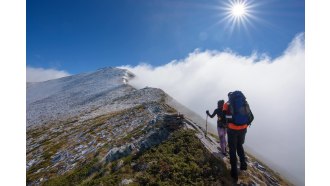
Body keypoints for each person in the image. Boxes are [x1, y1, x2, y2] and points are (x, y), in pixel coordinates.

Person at [223, 92, 253, 182]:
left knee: (232, 149)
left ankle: (234, 173)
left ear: (229, 97)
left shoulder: (226, 104)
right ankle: (243, 165)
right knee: (240, 145)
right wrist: (245, 125)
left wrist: (229, 122)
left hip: (232, 130)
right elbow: (251, 117)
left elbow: (224, 116)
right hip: (243, 129)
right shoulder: (244, 103)